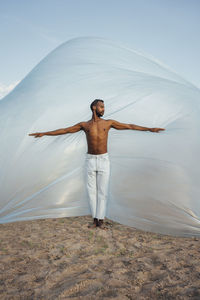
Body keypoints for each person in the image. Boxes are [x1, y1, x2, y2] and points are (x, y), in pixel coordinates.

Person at [29, 99, 165, 229]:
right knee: (91, 192)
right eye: (101, 106)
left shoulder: (108, 123)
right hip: (90, 160)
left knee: (102, 192)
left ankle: (101, 220)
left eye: (104, 107)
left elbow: (129, 126)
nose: (103, 109)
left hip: (104, 160)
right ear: (94, 107)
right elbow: (65, 130)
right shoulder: (85, 125)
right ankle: (95, 220)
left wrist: (149, 129)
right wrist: (44, 133)